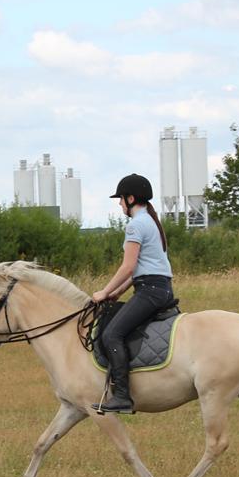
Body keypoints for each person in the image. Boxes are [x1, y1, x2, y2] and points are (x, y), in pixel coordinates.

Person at [90, 173, 174, 414]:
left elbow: (128, 267)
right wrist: (117, 292)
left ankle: (122, 396)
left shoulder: (136, 225)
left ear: (131, 198)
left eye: (121, 199)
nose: (119, 204)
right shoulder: (151, 221)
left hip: (150, 291)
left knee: (111, 334)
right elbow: (140, 270)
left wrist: (104, 291)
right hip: (159, 287)